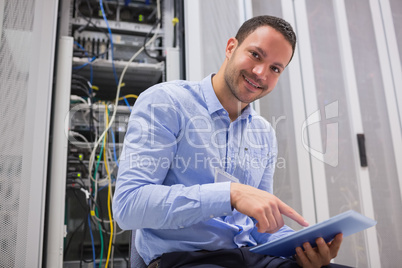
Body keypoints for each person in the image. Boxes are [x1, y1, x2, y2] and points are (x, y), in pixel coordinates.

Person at [113, 15, 344, 268]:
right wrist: (230, 193)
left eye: (275, 69)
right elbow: (128, 205)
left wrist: (303, 249)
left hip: (251, 258)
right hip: (186, 260)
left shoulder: (264, 133)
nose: (260, 73)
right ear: (231, 47)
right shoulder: (166, 102)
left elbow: (260, 228)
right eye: (256, 55)